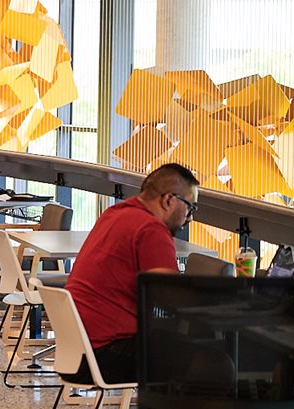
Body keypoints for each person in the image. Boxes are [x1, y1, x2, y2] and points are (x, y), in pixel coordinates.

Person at [65, 162, 200, 383]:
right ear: (169, 200)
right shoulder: (151, 229)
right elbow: (171, 298)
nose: (190, 218)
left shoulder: (114, 214)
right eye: (190, 207)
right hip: (103, 354)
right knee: (214, 361)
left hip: (75, 348)